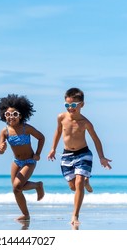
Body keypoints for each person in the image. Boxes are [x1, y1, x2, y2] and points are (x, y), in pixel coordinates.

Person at [47, 87, 112, 226]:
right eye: (67, 105)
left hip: (83, 154)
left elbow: (96, 139)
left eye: (74, 105)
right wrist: (52, 149)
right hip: (66, 155)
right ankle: (86, 181)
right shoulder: (61, 117)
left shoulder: (85, 123)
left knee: (79, 183)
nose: (70, 108)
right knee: (72, 186)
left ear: (82, 104)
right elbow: (58, 132)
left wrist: (102, 157)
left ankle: (75, 216)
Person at [0, 94, 45, 222]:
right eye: (8, 114)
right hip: (16, 162)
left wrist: (38, 153)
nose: (11, 117)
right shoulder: (5, 131)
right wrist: (1, 148)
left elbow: (41, 137)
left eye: (14, 114)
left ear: (21, 115)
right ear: (4, 116)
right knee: (16, 189)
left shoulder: (26, 128)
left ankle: (37, 185)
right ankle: (26, 214)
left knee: (17, 185)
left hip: (29, 161)